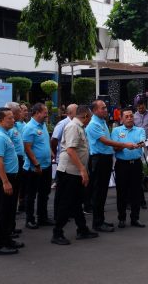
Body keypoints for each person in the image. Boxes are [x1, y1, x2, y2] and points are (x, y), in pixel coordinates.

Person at [86, 100, 138, 233]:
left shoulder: (102, 121)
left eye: (105, 107)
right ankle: (97, 223)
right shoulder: (93, 124)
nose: (106, 109)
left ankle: (100, 220)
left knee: (103, 192)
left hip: (106, 159)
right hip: (99, 160)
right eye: (102, 108)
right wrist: (124, 145)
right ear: (95, 110)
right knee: (98, 192)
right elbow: (105, 141)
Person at [51, 105, 99, 245]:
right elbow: (71, 151)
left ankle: (82, 229)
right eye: (90, 117)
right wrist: (82, 170)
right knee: (65, 203)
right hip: (69, 172)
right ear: (85, 116)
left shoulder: (80, 127)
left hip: (75, 171)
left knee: (77, 202)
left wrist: (83, 170)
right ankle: (57, 233)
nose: (90, 120)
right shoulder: (73, 127)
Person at [0, 108, 23, 255]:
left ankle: (7, 239)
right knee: (2, 212)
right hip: (3, 178)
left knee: (9, 211)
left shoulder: (4, 133)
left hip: (10, 177)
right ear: (1, 120)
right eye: (9, 118)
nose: (13, 120)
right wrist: (5, 181)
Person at [110, 107, 146, 229]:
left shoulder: (140, 130)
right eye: (127, 116)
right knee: (121, 192)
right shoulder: (116, 131)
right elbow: (114, 147)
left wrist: (138, 144)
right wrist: (125, 146)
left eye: (131, 116)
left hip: (136, 164)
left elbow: (143, 142)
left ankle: (135, 218)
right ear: (121, 119)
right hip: (122, 165)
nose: (130, 118)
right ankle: (121, 218)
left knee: (136, 192)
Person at [22, 103, 55, 229]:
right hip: (34, 168)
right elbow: (27, 148)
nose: (47, 115)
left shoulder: (43, 125)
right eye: (45, 112)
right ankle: (29, 219)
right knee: (31, 195)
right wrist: (36, 163)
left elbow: (45, 141)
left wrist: (50, 151)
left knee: (44, 193)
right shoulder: (29, 127)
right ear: (36, 113)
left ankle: (43, 217)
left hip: (46, 165)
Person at [5, 102, 26, 216]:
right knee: (12, 188)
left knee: (18, 186)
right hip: (12, 160)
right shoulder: (7, 130)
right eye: (18, 111)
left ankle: (15, 209)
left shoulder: (18, 125)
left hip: (20, 159)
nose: (20, 113)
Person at [50, 104, 77, 189]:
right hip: (63, 156)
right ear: (70, 113)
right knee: (64, 183)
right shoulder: (63, 123)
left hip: (73, 157)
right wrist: (54, 153)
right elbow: (54, 139)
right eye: (77, 111)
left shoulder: (77, 123)